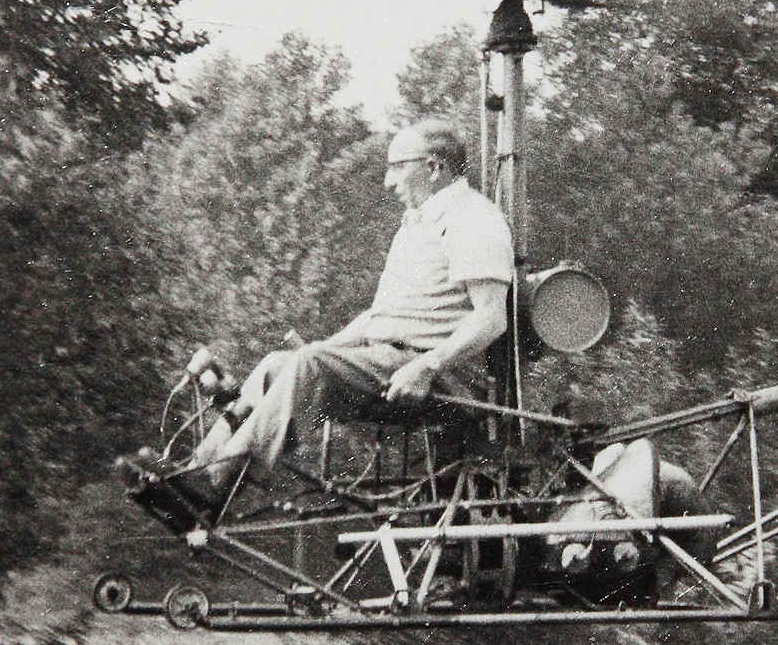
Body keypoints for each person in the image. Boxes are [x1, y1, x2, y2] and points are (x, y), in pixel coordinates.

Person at [154, 117, 515, 524]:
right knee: (280, 363)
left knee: (309, 366)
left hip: (439, 378)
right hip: (388, 362)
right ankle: (194, 472)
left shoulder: (474, 219)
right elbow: (378, 318)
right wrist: (320, 348)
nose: (388, 181)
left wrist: (426, 366)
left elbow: (490, 317)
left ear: (435, 167)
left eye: (398, 166)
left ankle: (214, 488)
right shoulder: (416, 226)